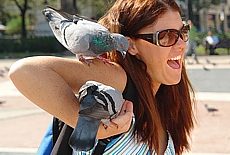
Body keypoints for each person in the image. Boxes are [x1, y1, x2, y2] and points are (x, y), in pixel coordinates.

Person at [9, 0, 196, 155]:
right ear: (131, 46)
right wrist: (92, 130)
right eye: (166, 37)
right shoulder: (117, 80)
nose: (181, 44)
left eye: (183, 33)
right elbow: (24, 71)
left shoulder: (165, 100)